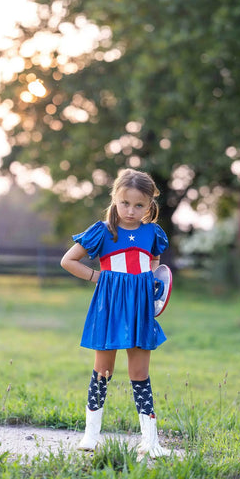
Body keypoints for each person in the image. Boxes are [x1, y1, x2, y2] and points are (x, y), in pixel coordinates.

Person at [60, 168, 171, 459]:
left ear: (149, 206)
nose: (131, 210)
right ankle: (91, 436)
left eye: (139, 205)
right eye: (125, 203)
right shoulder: (103, 231)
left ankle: (150, 441)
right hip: (109, 306)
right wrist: (100, 278)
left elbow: (154, 262)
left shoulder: (152, 233)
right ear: (115, 199)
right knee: (103, 371)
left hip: (140, 309)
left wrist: (151, 284)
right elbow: (68, 260)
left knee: (140, 373)